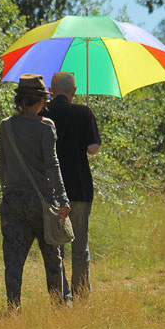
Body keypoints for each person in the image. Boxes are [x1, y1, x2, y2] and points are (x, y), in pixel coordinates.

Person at [0, 73, 70, 309]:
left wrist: (8, 194)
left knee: (13, 261)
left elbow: (2, 166)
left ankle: (13, 309)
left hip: (12, 202)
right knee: (52, 260)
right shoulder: (45, 127)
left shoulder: (5, 126)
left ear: (20, 100)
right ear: (40, 101)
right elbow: (53, 166)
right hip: (42, 204)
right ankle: (59, 309)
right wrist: (62, 199)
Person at [40, 71, 101, 301]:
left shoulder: (43, 113)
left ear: (50, 90)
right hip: (80, 189)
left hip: (52, 191)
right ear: (74, 92)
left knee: (57, 246)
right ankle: (81, 295)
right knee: (80, 246)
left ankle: (62, 296)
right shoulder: (83, 112)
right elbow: (93, 148)